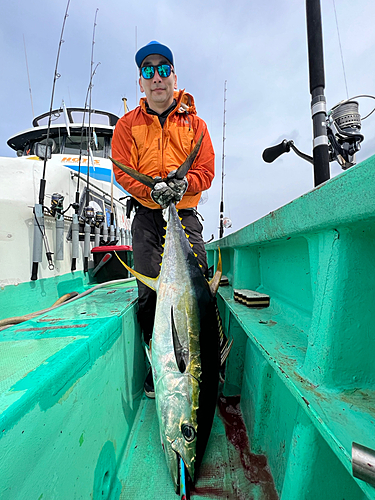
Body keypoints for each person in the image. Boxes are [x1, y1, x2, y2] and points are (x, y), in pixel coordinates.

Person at [111, 41, 215, 397]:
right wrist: (149, 192)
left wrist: (184, 183)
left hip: (184, 216)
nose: (156, 77)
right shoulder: (126, 126)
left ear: (174, 76)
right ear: (140, 82)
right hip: (146, 219)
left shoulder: (196, 126)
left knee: (198, 293)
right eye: (148, 70)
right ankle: (160, 367)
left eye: (163, 69)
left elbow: (206, 171)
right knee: (148, 296)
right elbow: (122, 173)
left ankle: (201, 363)